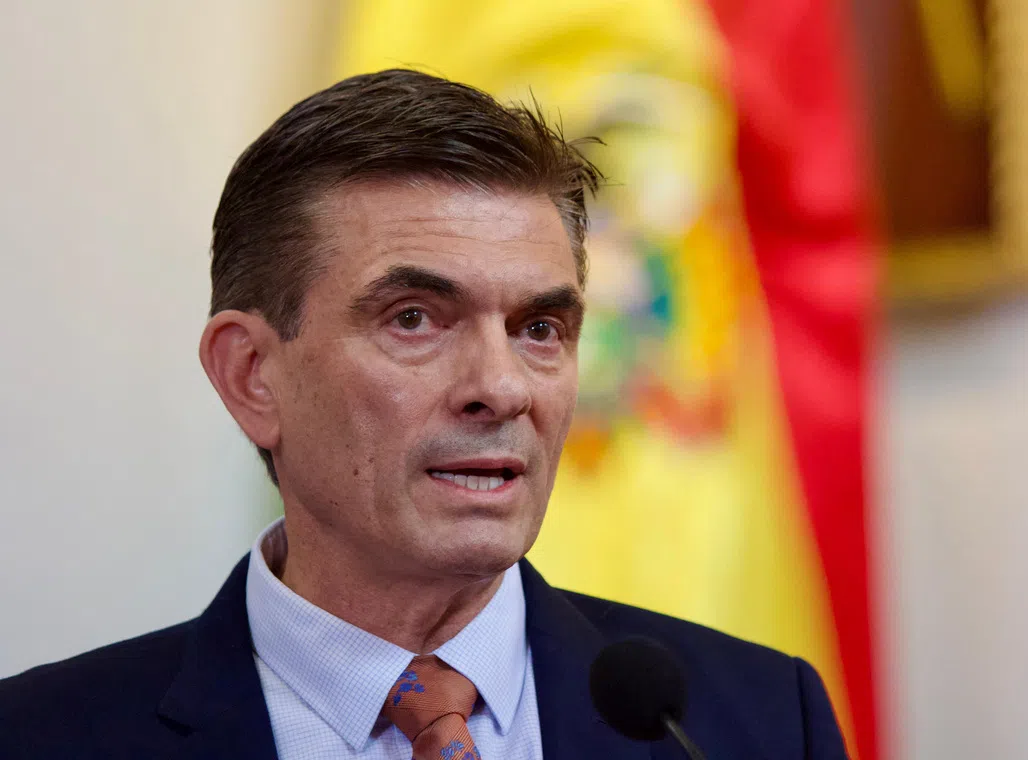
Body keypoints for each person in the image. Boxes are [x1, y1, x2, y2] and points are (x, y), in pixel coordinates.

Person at [0, 69, 848, 759]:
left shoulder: (756, 722)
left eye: (539, 328)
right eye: (415, 318)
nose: (503, 387)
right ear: (253, 376)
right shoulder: (43, 738)